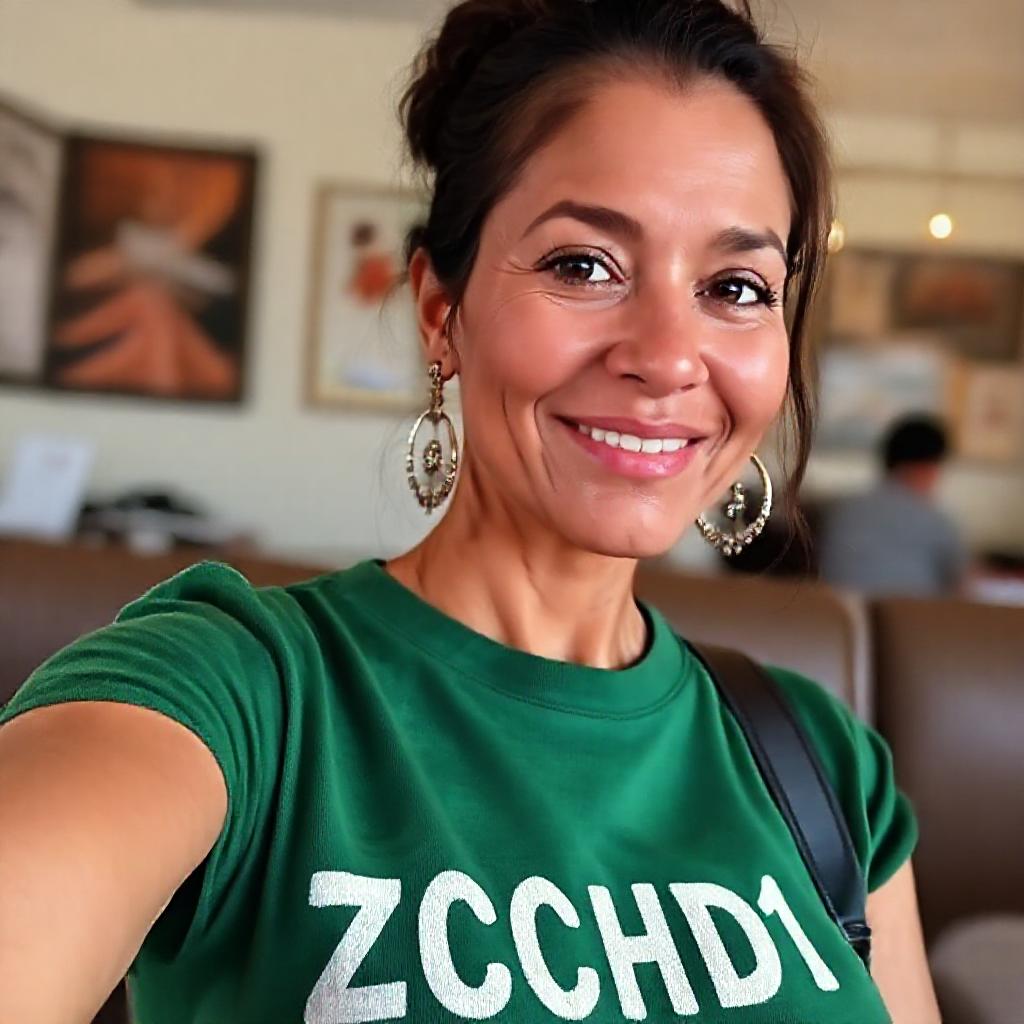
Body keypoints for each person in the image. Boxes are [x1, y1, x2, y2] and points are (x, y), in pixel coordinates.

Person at [0, 1, 941, 1021]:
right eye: (584, 265)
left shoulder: (821, 767)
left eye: (737, 286)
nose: (670, 357)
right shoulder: (237, 689)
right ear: (440, 313)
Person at [819, 415, 970, 597]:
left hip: (839, 611)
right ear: (930, 467)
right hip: (909, 613)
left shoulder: (844, 510)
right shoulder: (936, 521)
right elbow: (962, 583)